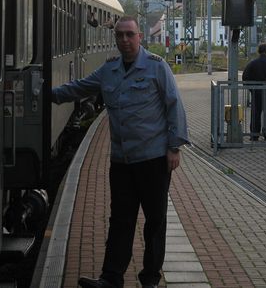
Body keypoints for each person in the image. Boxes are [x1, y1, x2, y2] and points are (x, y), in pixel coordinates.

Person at [51, 16, 189, 288]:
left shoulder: (156, 67)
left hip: (153, 160)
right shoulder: (109, 70)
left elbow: (175, 106)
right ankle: (111, 278)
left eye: (129, 35)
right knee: (120, 221)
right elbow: (79, 87)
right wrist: (48, 93)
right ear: (115, 39)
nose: (124, 40)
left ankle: (149, 279)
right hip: (122, 161)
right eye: (120, 35)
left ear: (139, 37)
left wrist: (174, 147)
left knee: (155, 222)